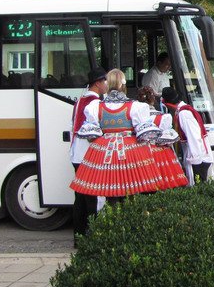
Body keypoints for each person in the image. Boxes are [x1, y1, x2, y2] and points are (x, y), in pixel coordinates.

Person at [70, 69, 182, 202]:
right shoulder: (135, 106)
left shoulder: (95, 106)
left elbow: (90, 135)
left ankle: (112, 217)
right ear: (123, 85)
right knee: (130, 189)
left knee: (110, 190)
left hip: (105, 152)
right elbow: (146, 135)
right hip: (130, 152)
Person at [70, 67, 108, 243]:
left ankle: (78, 236)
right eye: (105, 81)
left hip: (76, 152)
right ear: (98, 83)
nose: (107, 85)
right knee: (92, 197)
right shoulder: (95, 103)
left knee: (80, 196)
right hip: (88, 154)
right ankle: (92, 235)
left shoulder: (80, 100)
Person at [139, 87, 189, 189]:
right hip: (160, 153)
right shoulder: (163, 117)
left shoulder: (136, 117)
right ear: (153, 100)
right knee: (163, 184)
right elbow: (169, 140)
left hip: (142, 153)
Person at [162, 86, 214, 185]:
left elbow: (194, 137)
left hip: (198, 159)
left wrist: (195, 161)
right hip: (197, 156)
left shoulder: (184, 114)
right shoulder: (183, 111)